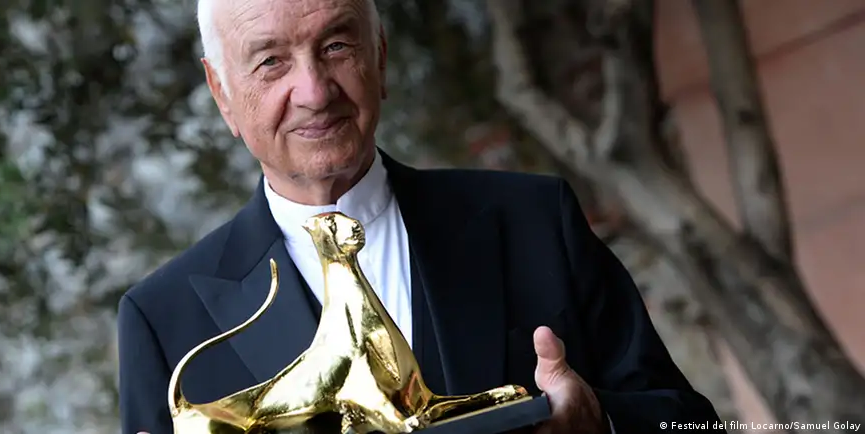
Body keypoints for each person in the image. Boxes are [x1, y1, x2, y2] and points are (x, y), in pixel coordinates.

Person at [116, 0, 725, 433]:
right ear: (222, 93)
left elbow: (690, 422)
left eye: (337, 46)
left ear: (380, 57)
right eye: (271, 61)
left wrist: (601, 421)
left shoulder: (535, 220)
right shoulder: (163, 322)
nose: (315, 91)